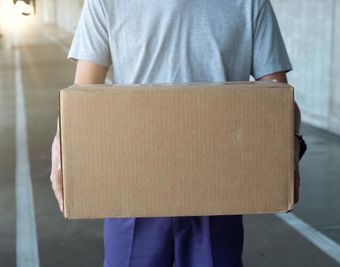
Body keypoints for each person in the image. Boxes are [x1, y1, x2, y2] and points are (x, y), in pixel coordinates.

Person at [50, 0, 304, 266]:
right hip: (134, 186)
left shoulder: (250, 3)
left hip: (218, 188)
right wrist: (62, 146)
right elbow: (82, 100)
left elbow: (278, 102)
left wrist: (290, 144)